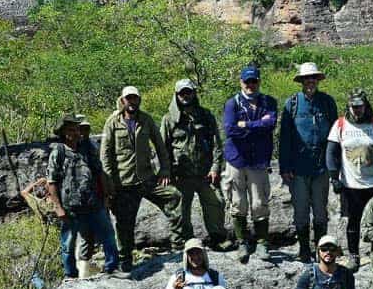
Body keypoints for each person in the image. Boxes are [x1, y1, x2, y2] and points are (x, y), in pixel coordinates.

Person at [101, 86, 184, 266]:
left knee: (174, 196)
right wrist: (109, 184)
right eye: (128, 98)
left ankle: (178, 244)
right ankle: (125, 260)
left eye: (135, 98)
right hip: (124, 183)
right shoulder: (113, 122)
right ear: (123, 100)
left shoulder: (146, 120)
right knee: (125, 224)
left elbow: (160, 146)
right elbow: (105, 155)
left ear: (139, 100)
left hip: (147, 179)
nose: (132, 102)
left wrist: (164, 170)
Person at [45, 113, 120, 278]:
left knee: (108, 234)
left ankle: (112, 268)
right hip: (70, 207)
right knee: (68, 243)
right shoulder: (58, 152)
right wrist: (58, 207)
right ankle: (70, 275)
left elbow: (99, 172)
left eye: (77, 129)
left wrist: (106, 195)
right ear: (64, 132)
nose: (76, 132)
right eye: (71, 129)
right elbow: (52, 182)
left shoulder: (88, 149)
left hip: (93, 203)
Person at [161, 78, 231, 249]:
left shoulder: (206, 116)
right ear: (176, 95)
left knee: (216, 203)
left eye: (188, 92)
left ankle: (218, 238)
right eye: (181, 93)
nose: (185, 95)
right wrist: (166, 172)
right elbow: (163, 149)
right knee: (180, 210)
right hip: (181, 175)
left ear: (194, 93)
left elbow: (216, 144)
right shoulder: (169, 119)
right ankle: (185, 243)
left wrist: (215, 167)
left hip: (205, 173)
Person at [279, 62, 338, 263]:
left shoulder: (328, 102)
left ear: (317, 80)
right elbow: (284, 138)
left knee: (321, 212)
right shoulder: (292, 103)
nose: (310, 81)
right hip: (298, 168)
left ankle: (321, 251)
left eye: (313, 77)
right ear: (301, 81)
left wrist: (334, 165)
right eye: (306, 78)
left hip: (321, 167)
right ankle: (304, 250)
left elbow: (335, 136)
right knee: (301, 211)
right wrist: (284, 168)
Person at [325, 90, 373, 265]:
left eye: (360, 106)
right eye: (353, 106)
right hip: (351, 184)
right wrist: (334, 177)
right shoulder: (340, 125)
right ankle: (354, 255)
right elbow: (331, 153)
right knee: (353, 221)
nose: (357, 110)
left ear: (365, 105)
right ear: (349, 106)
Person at [222, 65, 278, 263]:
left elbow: (270, 124)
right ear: (241, 83)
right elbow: (229, 130)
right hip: (236, 160)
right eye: (247, 82)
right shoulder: (232, 104)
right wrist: (256, 126)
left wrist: (245, 125)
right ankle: (242, 242)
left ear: (259, 82)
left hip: (259, 160)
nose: (250, 85)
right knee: (238, 203)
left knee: (259, 202)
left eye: (254, 81)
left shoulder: (269, 102)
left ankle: (262, 243)